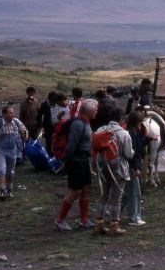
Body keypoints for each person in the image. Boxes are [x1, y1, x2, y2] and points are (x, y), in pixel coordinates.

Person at [55, 99, 98, 231]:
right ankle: (60, 220)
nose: (96, 111)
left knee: (86, 189)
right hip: (76, 161)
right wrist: (66, 163)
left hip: (84, 161)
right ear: (89, 111)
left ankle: (84, 220)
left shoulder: (86, 123)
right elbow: (70, 146)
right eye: (95, 109)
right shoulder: (78, 124)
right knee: (75, 191)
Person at [94, 107, 134, 236]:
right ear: (122, 119)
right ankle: (114, 226)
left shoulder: (100, 130)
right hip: (118, 168)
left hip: (102, 167)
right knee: (116, 198)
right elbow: (128, 154)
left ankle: (99, 223)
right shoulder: (124, 133)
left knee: (103, 194)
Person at [0, 106, 28, 200]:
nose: (13, 114)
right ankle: (2, 191)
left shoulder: (16, 122)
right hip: (1, 151)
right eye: (10, 113)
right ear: (4, 114)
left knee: (11, 172)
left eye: (13, 113)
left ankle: (9, 190)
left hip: (13, 151)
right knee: (1, 170)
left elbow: (25, 131)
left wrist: (25, 136)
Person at [123, 111, 146, 226]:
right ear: (137, 122)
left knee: (126, 192)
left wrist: (148, 139)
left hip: (129, 166)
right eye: (141, 121)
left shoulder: (133, 133)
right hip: (132, 167)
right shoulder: (131, 134)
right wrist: (136, 168)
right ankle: (134, 218)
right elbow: (133, 153)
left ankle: (113, 212)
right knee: (135, 192)